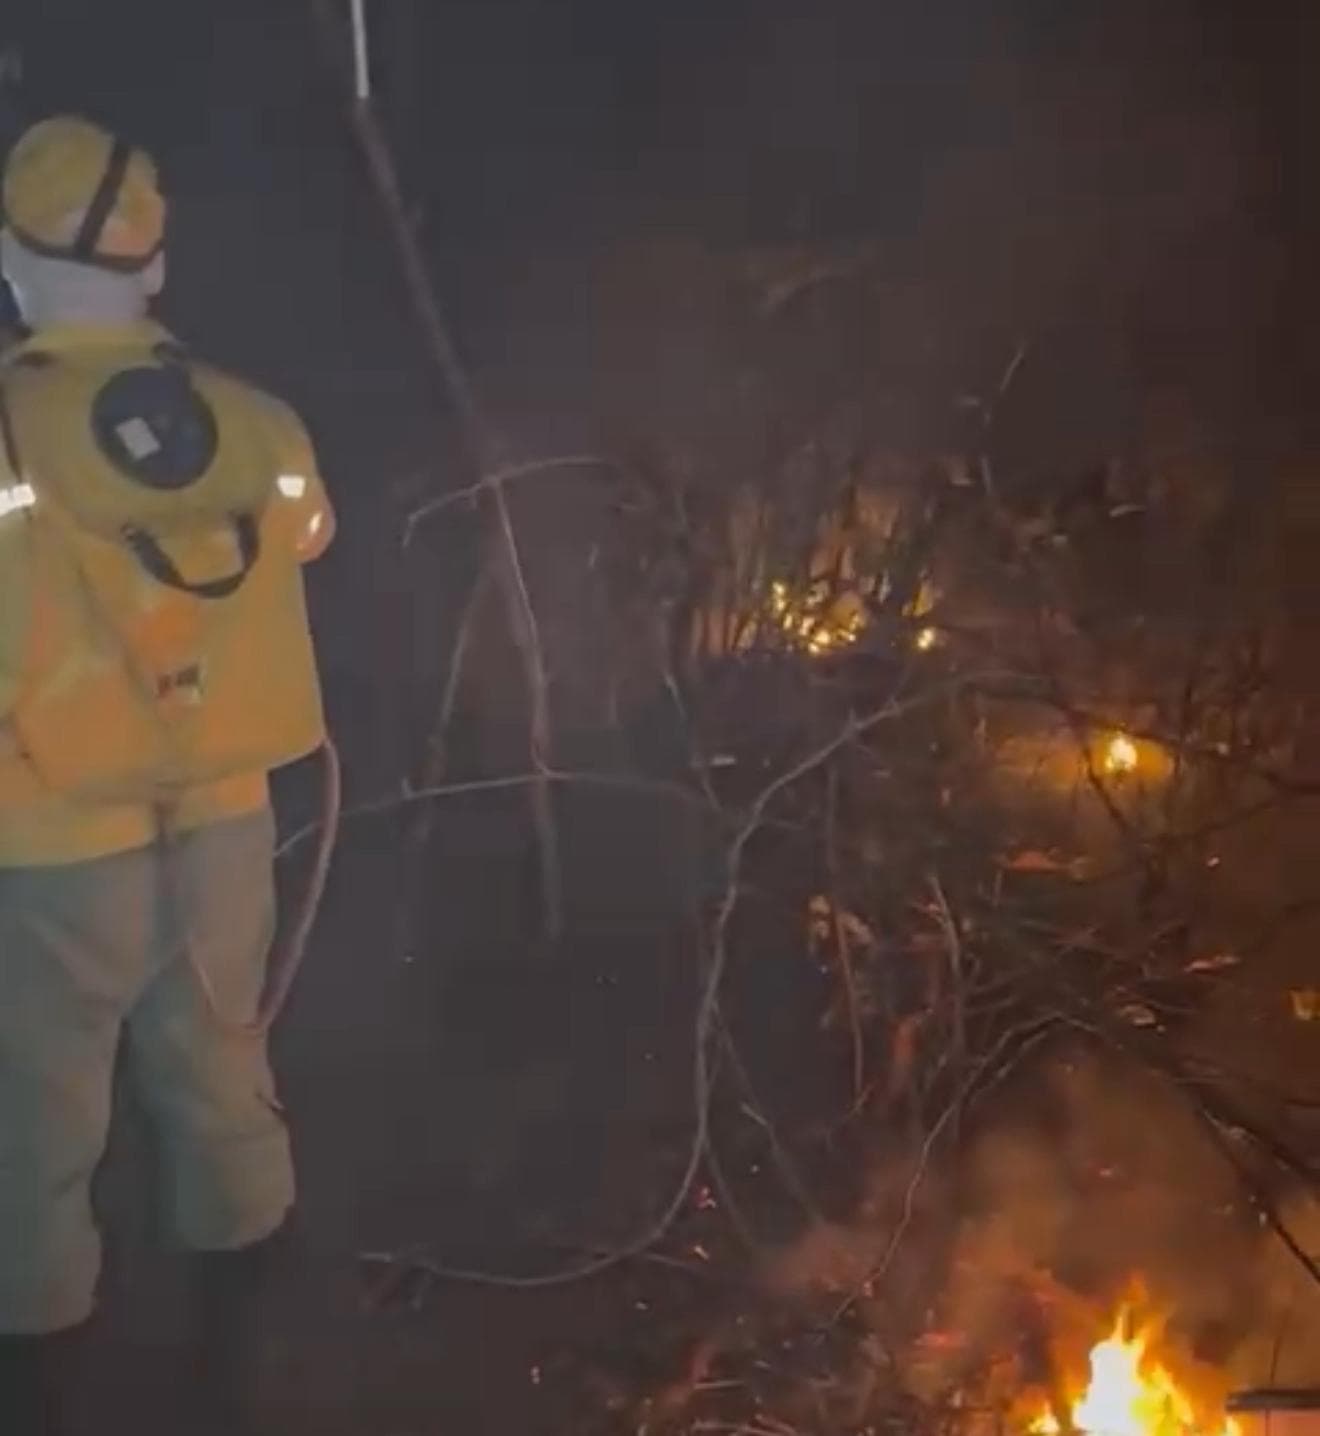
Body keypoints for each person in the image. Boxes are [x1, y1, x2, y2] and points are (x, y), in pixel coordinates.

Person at [0, 116, 336, 1433]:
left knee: (38, 1129)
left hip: (48, 855)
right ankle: (246, 1379)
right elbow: (309, 531)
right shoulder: (258, 420)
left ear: (9, 265)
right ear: (154, 265)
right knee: (220, 1080)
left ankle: (42, 1392)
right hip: (225, 834)